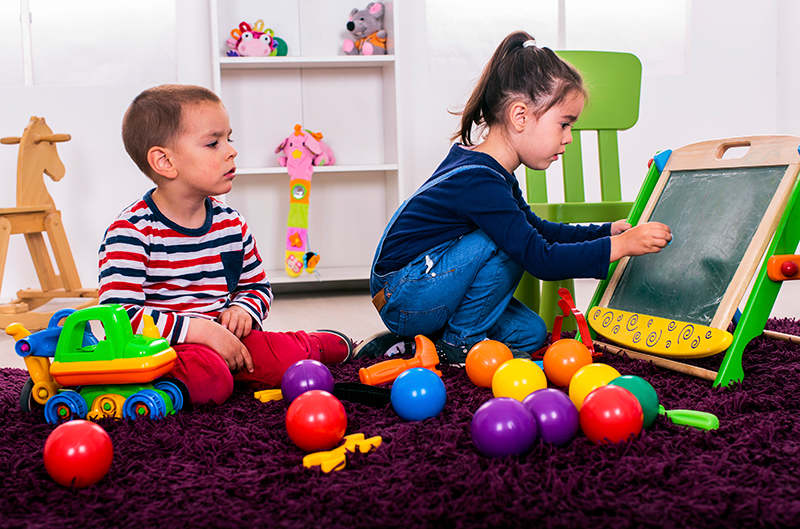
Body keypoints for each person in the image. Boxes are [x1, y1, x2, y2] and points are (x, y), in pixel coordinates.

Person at [365, 31, 672, 364]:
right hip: (406, 294)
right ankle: (458, 345)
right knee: (502, 241)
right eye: (565, 124)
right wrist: (621, 247)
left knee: (530, 332)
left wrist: (604, 231)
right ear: (520, 115)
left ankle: (426, 343)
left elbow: (536, 229)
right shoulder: (480, 182)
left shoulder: (494, 173)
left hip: (425, 287)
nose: (569, 138)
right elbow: (538, 257)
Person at [99, 84, 353, 405]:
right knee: (210, 382)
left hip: (229, 336)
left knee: (290, 360)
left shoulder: (231, 223)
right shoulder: (130, 232)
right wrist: (200, 332)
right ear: (164, 161)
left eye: (229, 139)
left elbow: (257, 287)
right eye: (212, 143)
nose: (231, 151)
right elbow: (118, 316)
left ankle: (310, 344)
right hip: (163, 350)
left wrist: (243, 309)